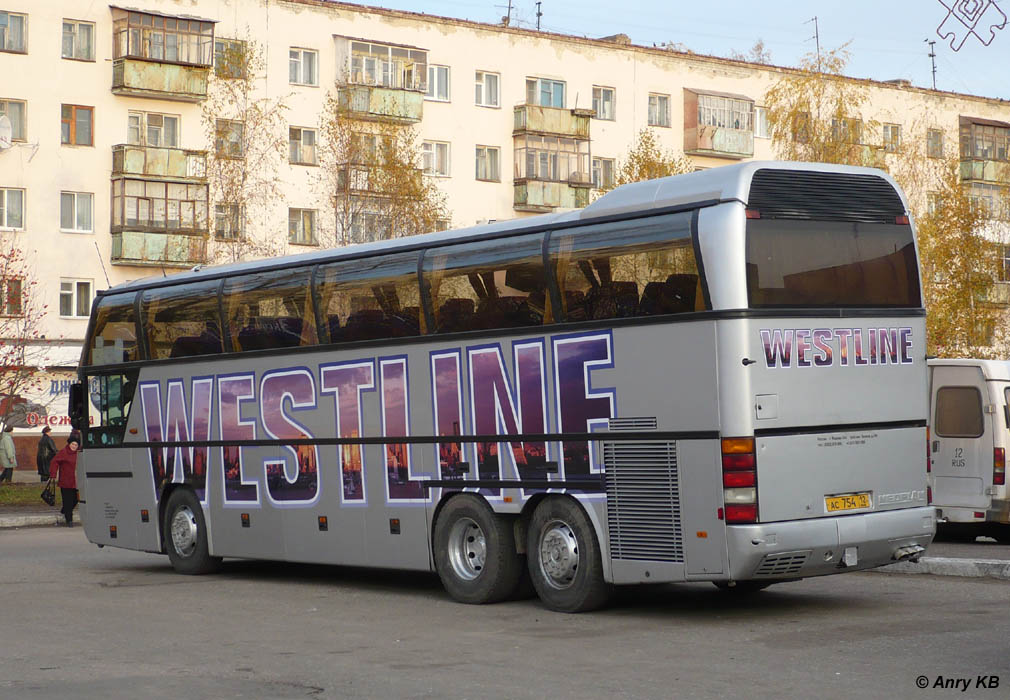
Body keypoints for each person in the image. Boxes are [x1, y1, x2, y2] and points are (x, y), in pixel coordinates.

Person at [49, 433, 80, 527]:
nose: (74, 447)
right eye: (72, 444)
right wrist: (53, 474)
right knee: (68, 501)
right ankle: (69, 520)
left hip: (76, 481)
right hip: (65, 481)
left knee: (76, 499)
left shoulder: (79, 454)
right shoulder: (63, 452)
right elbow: (54, 462)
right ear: (69, 444)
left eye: (76, 445)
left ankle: (64, 510)